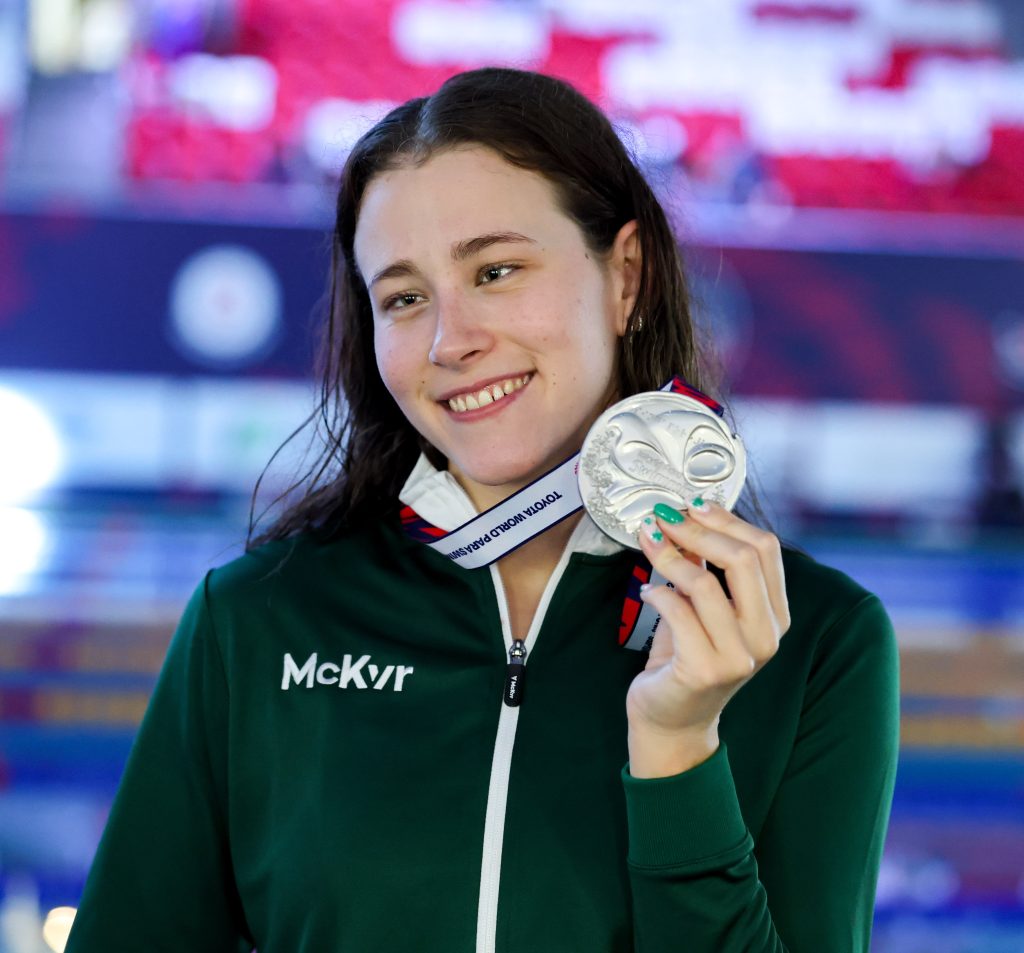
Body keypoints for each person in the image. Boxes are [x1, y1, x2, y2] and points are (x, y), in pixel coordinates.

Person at [65, 67, 899, 953]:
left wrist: (679, 747)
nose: (448, 341)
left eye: (496, 270)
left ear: (627, 277)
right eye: (404, 297)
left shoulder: (817, 644)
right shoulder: (255, 620)